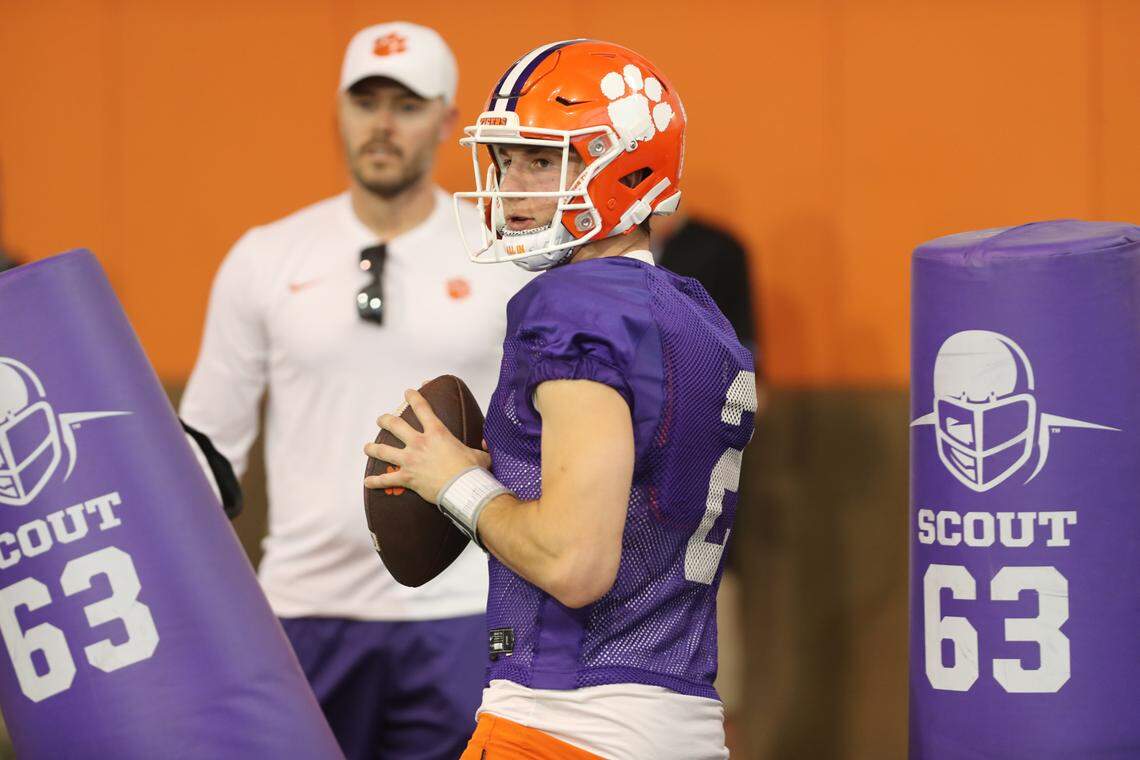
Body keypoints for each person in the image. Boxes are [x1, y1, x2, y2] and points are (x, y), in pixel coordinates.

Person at [364, 40, 756, 759]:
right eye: (507, 159)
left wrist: (453, 481)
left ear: (627, 165)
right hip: (681, 723)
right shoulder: (697, 317)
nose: (511, 184)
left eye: (542, 161)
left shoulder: (574, 304)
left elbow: (575, 563)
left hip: (565, 722)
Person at [180, 21, 529, 760]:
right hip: (304, 608)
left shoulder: (505, 257)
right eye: (363, 100)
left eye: (405, 105)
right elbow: (207, 452)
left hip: (462, 609)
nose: (381, 124)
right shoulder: (267, 257)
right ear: (337, 111)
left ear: (446, 120)